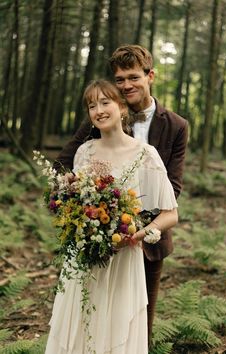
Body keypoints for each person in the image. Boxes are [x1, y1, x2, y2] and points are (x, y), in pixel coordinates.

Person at [53, 44, 188, 346]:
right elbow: (63, 165)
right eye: (120, 79)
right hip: (96, 241)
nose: (126, 85)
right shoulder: (99, 117)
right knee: (92, 318)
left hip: (147, 240)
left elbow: (172, 187)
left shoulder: (176, 126)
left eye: (133, 77)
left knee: (137, 325)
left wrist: (132, 228)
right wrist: (81, 208)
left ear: (150, 76)